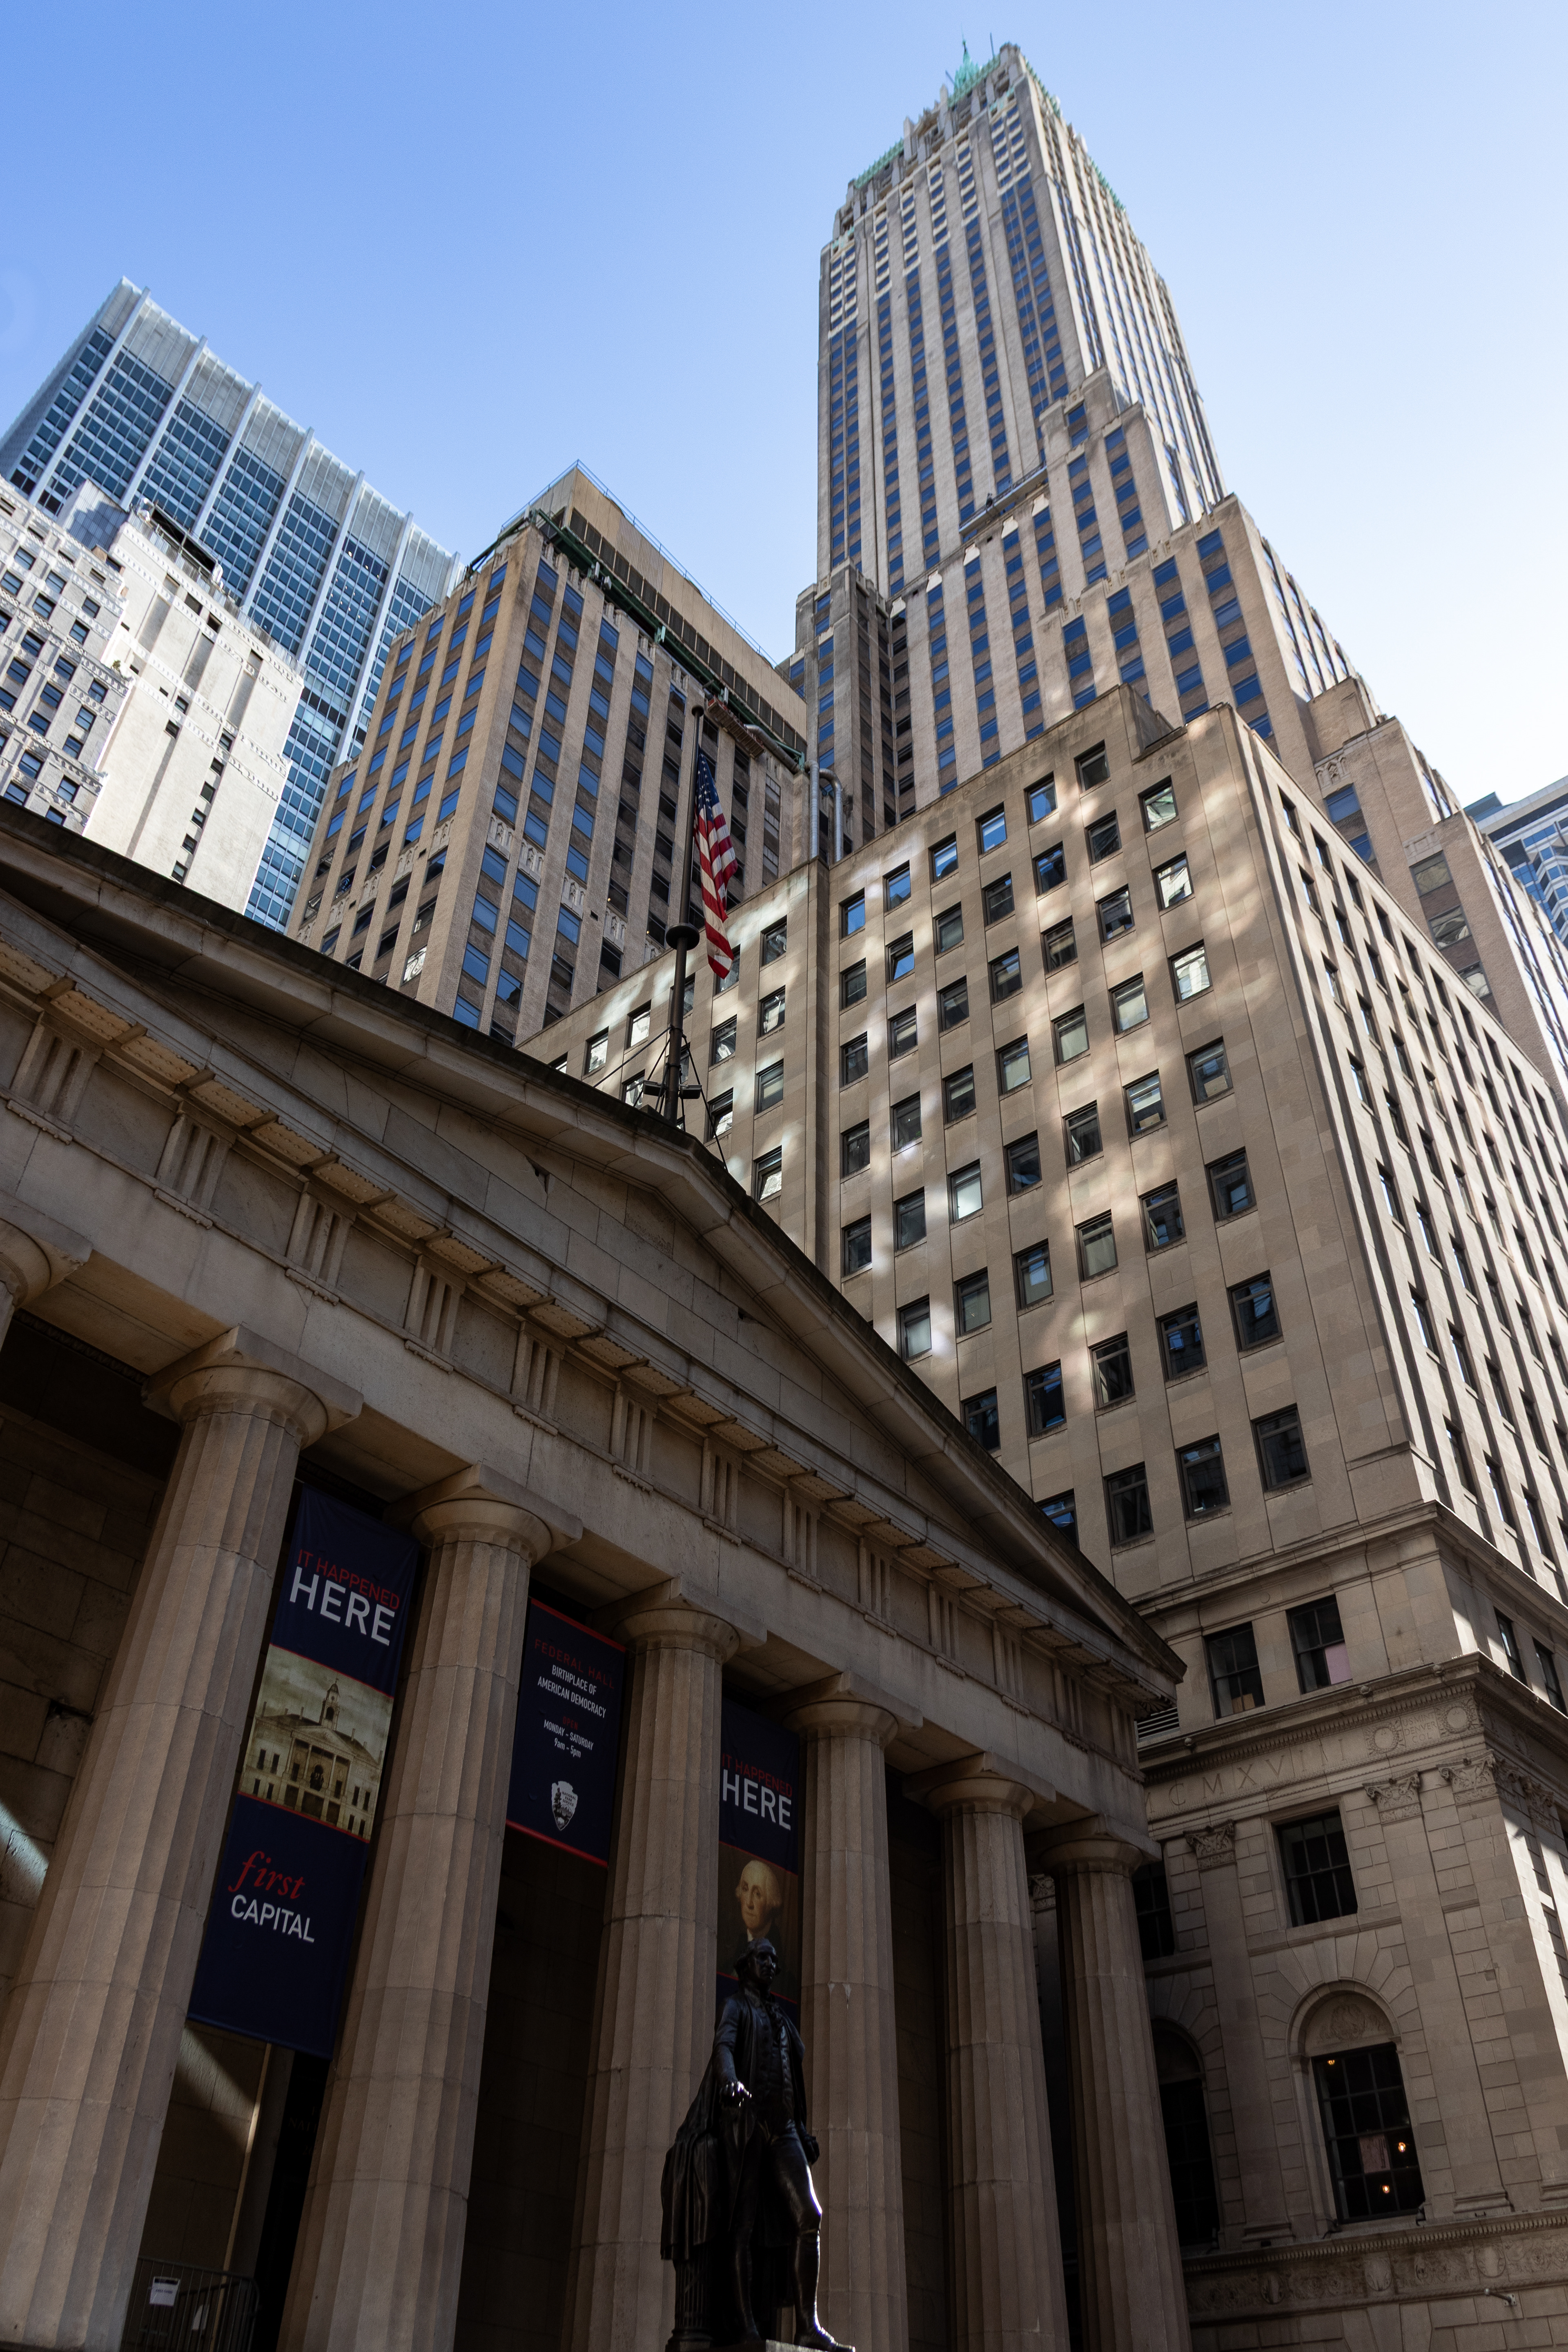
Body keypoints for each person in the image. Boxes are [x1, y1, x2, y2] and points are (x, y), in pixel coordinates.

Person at [660, 1938, 845, 2350]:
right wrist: (729, 2081)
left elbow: (792, 2075)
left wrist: (802, 2124)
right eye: (764, 1958)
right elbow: (724, 2047)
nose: (771, 1965)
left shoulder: (780, 2018)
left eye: (775, 1959)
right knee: (740, 2227)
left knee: (808, 2215)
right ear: (746, 1965)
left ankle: (806, 2325)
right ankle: (744, 2325)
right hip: (746, 2124)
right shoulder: (736, 2008)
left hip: (783, 2129)